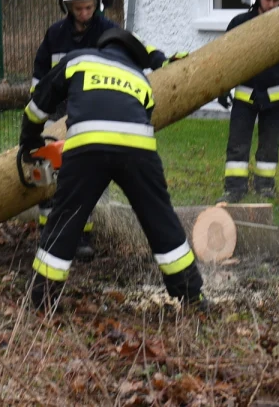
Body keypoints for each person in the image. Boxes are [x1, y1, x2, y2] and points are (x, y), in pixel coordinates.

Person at [20, 28, 206, 311]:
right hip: (139, 151)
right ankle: (192, 295)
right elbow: (140, 116)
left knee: (66, 217)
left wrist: (31, 141)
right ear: (133, 56)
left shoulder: (79, 59)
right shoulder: (141, 80)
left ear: (102, 45)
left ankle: (42, 299)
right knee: (160, 219)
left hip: (86, 149)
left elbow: (37, 106)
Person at [215, 0, 279, 203]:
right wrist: (222, 89)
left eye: (276, 0)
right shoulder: (240, 24)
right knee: (237, 145)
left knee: (269, 146)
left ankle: (265, 186)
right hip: (245, 96)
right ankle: (234, 188)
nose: (271, 4)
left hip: (275, 99)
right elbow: (226, 58)